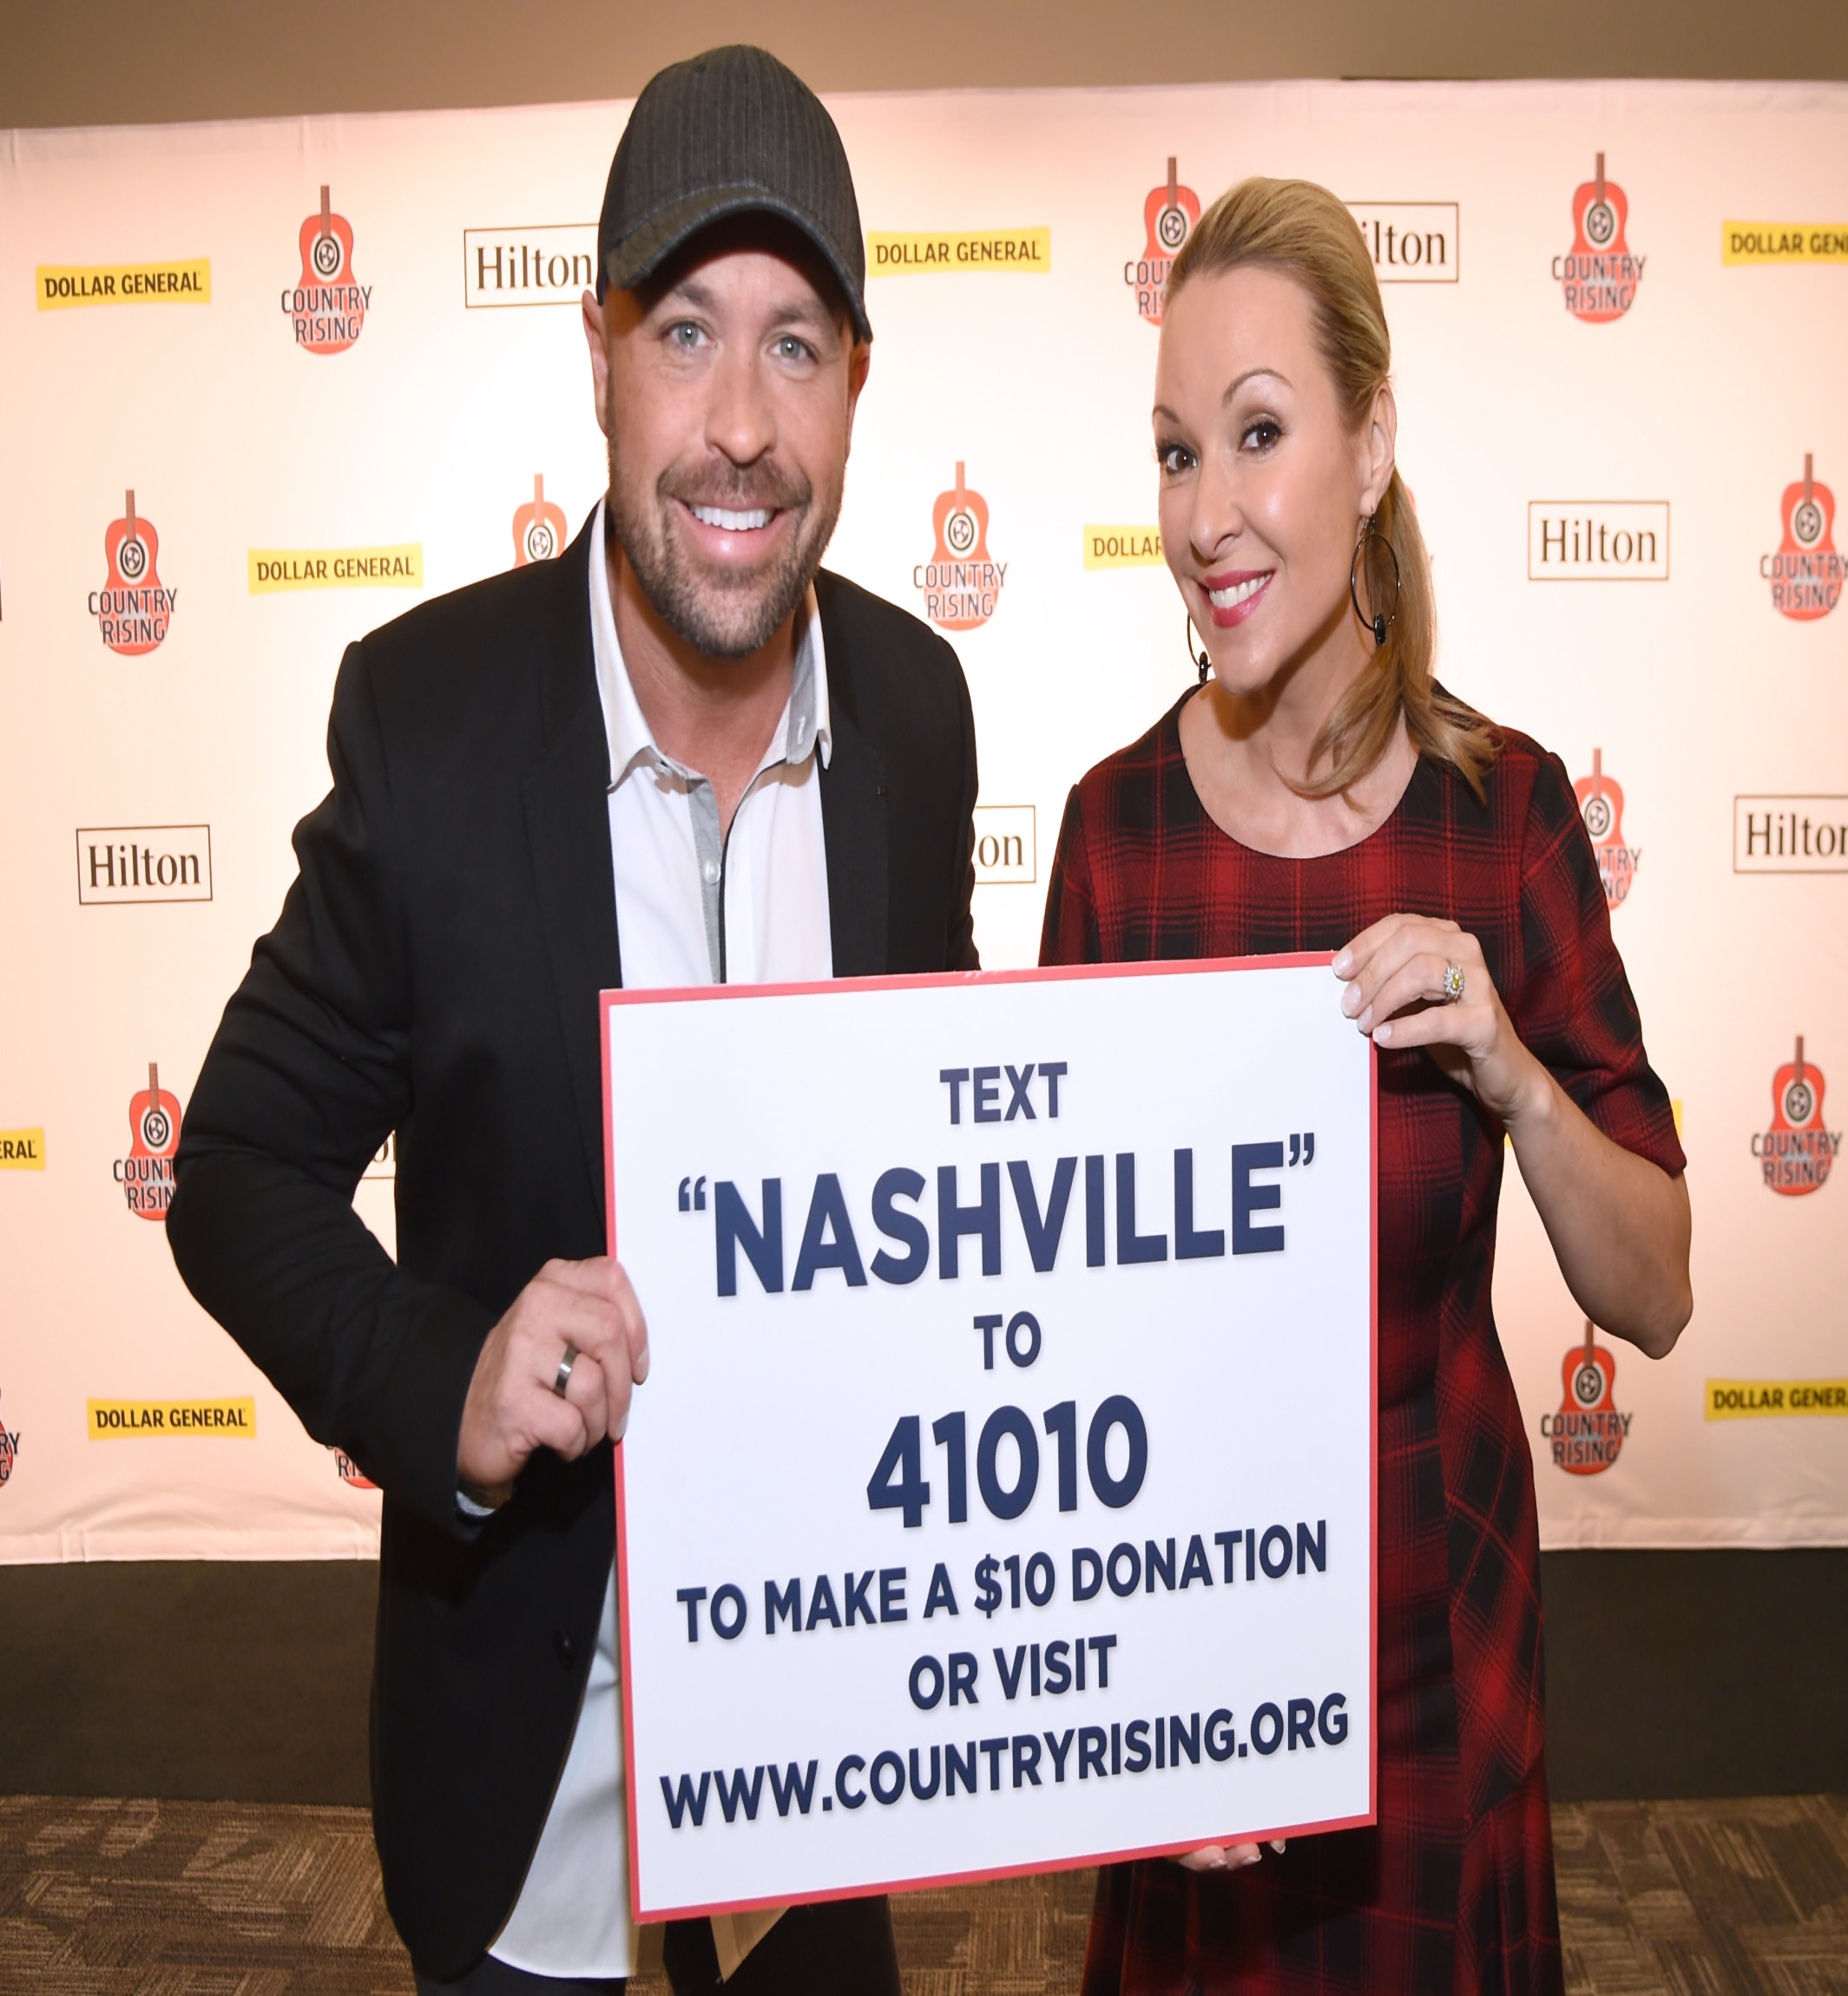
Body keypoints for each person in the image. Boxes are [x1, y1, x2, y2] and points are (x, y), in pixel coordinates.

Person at [166, 46, 979, 1996]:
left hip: (826, 1795)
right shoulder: (430, 726)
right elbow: (236, 1170)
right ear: (599, 350)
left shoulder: (917, 716)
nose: (735, 427)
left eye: (795, 347)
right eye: (686, 330)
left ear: (857, 385)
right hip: (536, 1800)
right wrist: (442, 1380)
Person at [1040, 177, 1692, 1994]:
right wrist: (1130, 1670)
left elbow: (1652, 1290)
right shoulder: (1114, 838)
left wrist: (1512, 1074)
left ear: (1372, 441)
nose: (1208, 512)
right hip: (1200, 1654)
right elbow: (1072, 1329)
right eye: (1175, 452)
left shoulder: (1511, 813)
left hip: (1437, 1611)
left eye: (1259, 434)